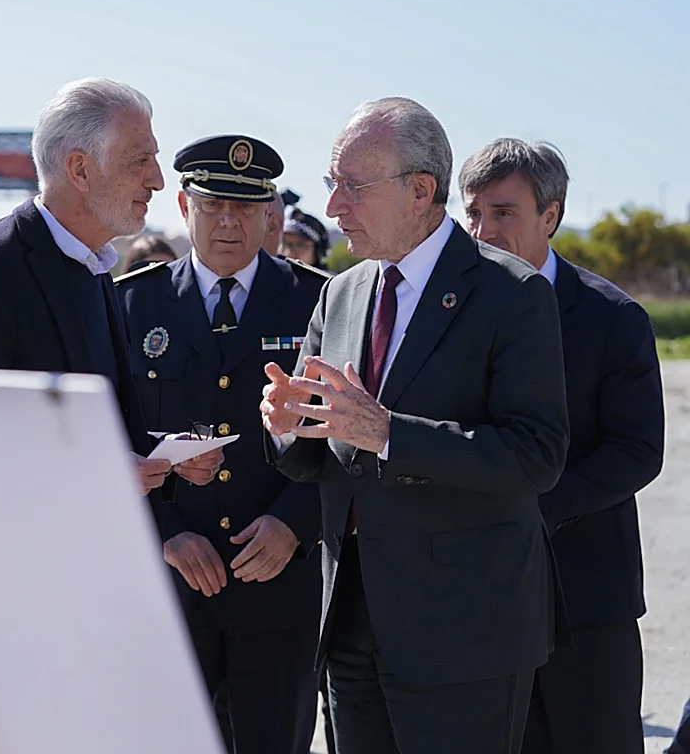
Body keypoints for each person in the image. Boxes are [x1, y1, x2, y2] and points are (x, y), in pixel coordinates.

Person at [260, 96, 570, 754]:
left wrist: (390, 431)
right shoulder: (338, 292)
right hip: (350, 619)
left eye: (352, 187)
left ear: (421, 190)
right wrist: (289, 426)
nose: (334, 206)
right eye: (331, 186)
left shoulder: (511, 293)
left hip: (462, 633)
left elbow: (535, 455)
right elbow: (318, 452)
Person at [117, 134, 329, 754]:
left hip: (279, 583)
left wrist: (294, 522)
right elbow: (110, 437)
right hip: (173, 586)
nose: (229, 222)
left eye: (246, 206)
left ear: (270, 214)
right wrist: (163, 530)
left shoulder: (320, 299)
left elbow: (347, 440)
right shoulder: (132, 303)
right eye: (213, 205)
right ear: (184, 206)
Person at [0, 77, 223, 497]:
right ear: (80, 169)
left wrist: (158, 453)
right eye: (139, 160)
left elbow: (92, 429)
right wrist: (98, 469)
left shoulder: (94, 264)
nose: (157, 180)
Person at [460, 138, 665, 754]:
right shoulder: (452, 312)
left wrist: (533, 511)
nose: (483, 231)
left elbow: (636, 450)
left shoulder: (613, 317)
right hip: (481, 596)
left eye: (503, 213)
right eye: (473, 214)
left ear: (550, 216)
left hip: (586, 596)